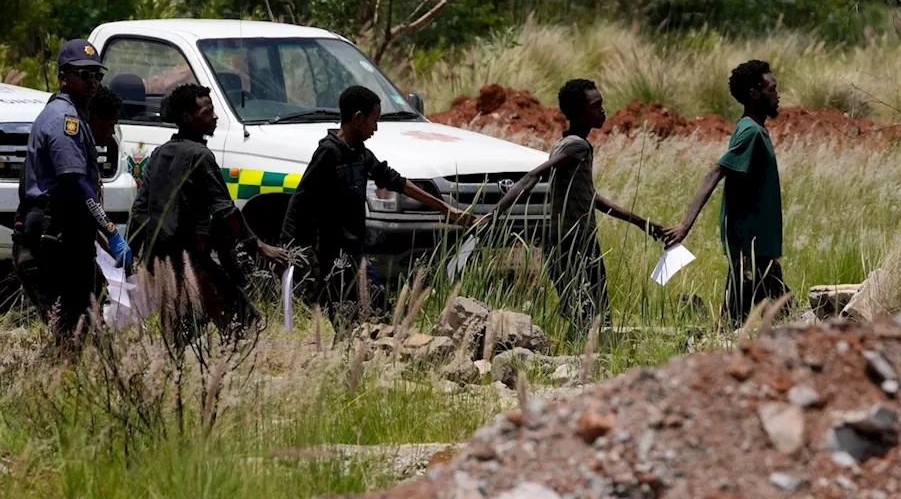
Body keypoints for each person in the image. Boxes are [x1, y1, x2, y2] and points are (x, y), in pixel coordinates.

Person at [281, 86, 477, 332]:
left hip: (356, 253)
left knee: (381, 314)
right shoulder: (328, 153)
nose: (376, 128)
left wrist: (446, 208)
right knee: (348, 324)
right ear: (358, 119)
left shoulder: (361, 154)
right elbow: (300, 201)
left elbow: (396, 181)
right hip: (332, 259)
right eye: (374, 120)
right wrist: (287, 250)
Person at [485, 79, 665, 331]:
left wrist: (641, 223)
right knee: (596, 315)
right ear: (579, 112)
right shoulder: (576, 146)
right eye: (596, 105)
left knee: (586, 312)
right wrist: (493, 215)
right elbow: (532, 176)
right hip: (574, 243)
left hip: (565, 241)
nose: (602, 110)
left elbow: (591, 198)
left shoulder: (566, 144)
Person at [128, 84, 288, 334]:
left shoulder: (159, 153)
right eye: (207, 112)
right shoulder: (200, 156)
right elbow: (226, 211)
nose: (214, 117)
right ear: (186, 117)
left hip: (160, 262)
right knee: (244, 324)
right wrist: (260, 246)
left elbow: (139, 212)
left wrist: (134, 258)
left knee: (181, 331)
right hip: (192, 261)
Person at [13, 39, 130, 345]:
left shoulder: (67, 114)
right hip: (58, 229)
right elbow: (75, 183)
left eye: (97, 75)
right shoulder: (67, 121)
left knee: (79, 320)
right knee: (74, 319)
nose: (92, 82)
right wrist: (110, 230)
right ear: (64, 76)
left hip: (62, 226)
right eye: (84, 74)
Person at [663, 60, 786, 327]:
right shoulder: (751, 132)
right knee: (746, 321)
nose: (777, 95)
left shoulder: (754, 129)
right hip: (750, 249)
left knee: (763, 317)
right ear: (755, 94)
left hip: (758, 247)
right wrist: (685, 226)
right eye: (772, 89)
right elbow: (715, 174)